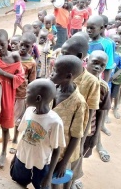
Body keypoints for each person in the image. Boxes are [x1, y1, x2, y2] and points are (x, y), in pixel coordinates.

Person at [10, 79, 66, 189]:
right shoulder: (29, 111)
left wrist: (49, 176)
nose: (25, 96)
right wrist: (15, 157)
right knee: (19, 183)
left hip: (41, 165)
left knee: (40, 186)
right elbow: (23, 136)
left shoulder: (55, 122)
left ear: (38, 98)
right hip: (21, 159)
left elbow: (56, 150)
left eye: (28, 93)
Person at [60, 36, 100, 189]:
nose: (61, 56)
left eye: (65, 53)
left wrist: (84, 138)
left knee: (70, 166)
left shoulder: (91, 82)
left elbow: (91, 111)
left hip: (76, 134)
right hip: (59, 130)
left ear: (79, 57)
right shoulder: (60, 72)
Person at [50, 55, 89, 189]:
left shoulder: (79, 103)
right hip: (46, 148)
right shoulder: (52, 89)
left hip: (61, 154)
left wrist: (64, 162)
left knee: (55, 182)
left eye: (54, 71)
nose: (51, 73)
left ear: (68, 76)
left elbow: (77, 135)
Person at [0, 29, 25, 168]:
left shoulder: (15, 57)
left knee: (5, 126)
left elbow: (21, 78)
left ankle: (3, 152)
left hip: (9, 97)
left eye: (2, 45)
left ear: (8, 42)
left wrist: (4, 73)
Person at [9, 32, 37, 154]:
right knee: (7, 115)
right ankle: (6, 135)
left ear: (32, 47)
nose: (23, 48)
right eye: (21, 45)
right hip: (9, 92)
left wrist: (29, 97)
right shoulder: (13, 57)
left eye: (27, 46)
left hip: (21, 95)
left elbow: (32, 81)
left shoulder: (32, 63)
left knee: (18, 119)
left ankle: (15, 139)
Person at [85, 51, 111, 163]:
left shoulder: (103, 87)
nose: (97, 67)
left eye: (102, 65)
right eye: (95, 62)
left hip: (88, 129)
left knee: (81, 154)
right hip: (70, 127)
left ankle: (74, 177)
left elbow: (101, 112)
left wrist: (96, 135)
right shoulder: (75, 79)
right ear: (87, 61)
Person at [87, 15, 115, 82]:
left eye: (92, 28)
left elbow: (108, 67)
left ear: (101, 28)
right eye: (87, 28)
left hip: (97, 79)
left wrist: (105, 84)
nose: (89, 30)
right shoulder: (84, 40)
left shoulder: (107, 44)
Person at [109, 34, 121, 119]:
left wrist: (115, 75)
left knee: (111, 97)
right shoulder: (105, 53)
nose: (116, 43)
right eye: (114, 41)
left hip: (112, 81)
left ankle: (108, 113)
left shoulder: (117, 56)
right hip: (103, 80)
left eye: (118, 42)